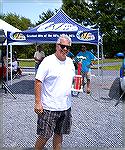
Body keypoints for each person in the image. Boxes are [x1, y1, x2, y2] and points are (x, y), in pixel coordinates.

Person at [34, 34, 75, 150]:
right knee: (44, 136)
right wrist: (38, 102)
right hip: (49, 107)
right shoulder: (48, 61)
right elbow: (38, 82)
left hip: (65, 107)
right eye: (63, 46)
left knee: (59, 134)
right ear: (57, 46)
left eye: (68, 47)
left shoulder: (70, 62)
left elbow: (69, 80)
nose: (65, 49)